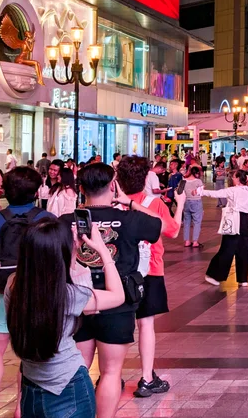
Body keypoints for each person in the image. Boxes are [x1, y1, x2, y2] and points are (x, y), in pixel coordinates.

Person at [61, 163, 163, 418]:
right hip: (118, 304)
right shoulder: (130, 219)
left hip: (76, 303)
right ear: (112, 185)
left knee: (78, 369)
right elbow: (158, 225)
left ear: (81, 188)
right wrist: (128, 203)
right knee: (110, 372)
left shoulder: (66, 221)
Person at [6, 218, 125, 418]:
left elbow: (47, 273)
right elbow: (118, 296)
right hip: (69, 388)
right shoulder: (68, 295)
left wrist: (67, 250)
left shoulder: (14, 285)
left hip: (30, 388)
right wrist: (103, 251)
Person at [0, 166, 49, 411]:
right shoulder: (46, 220)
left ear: (5, 191)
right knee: (29, 354)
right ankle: (21, 408)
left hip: (2, 290)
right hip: (35, 293)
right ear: (36, 192)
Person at [113, 157, 185, 397]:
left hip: (116, 272)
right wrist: (181, 204)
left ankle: (111, 375)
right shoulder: (154, 203)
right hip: (150, 270)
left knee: (116, 324)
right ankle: (146, 378)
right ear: (145, 178)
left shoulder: (113, 204)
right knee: (146, 324)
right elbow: (173, 230)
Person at [200, 168, 248, 287]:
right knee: (243, 250)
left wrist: (201, 192)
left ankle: (214, 275)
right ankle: (243, 279)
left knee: (226, 249)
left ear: (238, 179)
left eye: (234, 176)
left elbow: (216, 193)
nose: (232, 178)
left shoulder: (232, 190)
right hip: (245, 221)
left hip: (233, 220)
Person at [181, 165, 205, 248]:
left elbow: (179, 191)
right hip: (196, 202)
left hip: (186, 202)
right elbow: (201, 192)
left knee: (186, 222)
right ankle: (195, 242)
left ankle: (187, 241)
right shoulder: (198, 181)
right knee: (197, 222)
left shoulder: (184, 181)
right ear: (197, 173)